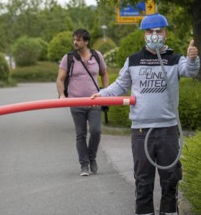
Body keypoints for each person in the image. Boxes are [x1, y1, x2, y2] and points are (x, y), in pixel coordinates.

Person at [91, 13, 200, 215]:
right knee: (143, 181)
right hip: (141, 131)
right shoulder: (133, 60)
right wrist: (102, 94)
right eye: (150, 31)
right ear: (144, 35)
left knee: (170, 179)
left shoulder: (175, 59)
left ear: (165, 34)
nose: (155, 34)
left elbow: (189, 71)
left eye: (159, 31)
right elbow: (120, 85)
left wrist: (193, 58)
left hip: (167, 130)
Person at [56, 28, 109, 176]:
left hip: (94, 102)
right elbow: (60, 78)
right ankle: (84, 165)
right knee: (81, 134)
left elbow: (104, 74)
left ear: (86, 41)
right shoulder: (69, 58)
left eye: (78, 40)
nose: (75, 42)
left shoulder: (97, 56)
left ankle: (92, 158)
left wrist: (106, 91)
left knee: (96, 131)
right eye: (74, 39)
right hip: (76, 102)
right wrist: (62, 95)